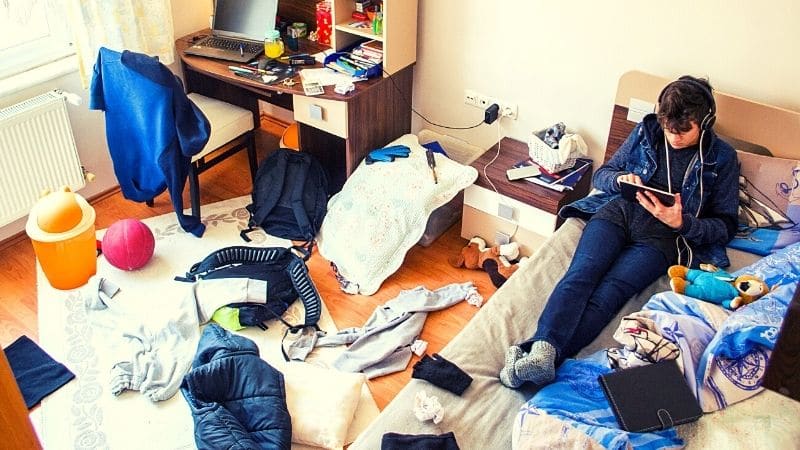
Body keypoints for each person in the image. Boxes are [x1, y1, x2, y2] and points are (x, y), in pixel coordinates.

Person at [499, 75, 740, 388]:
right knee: (582, 274)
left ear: (705, 122)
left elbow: (726, 226)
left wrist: (683, 223)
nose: (674, 137)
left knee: (610, 293)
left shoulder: (722, 158)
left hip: (662, 238)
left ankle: (540, 355)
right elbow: (603, 175)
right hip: (618, 213)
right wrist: (621, 181)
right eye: (669, 128)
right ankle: (543, 351)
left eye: (684, 130)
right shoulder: (647, 131)